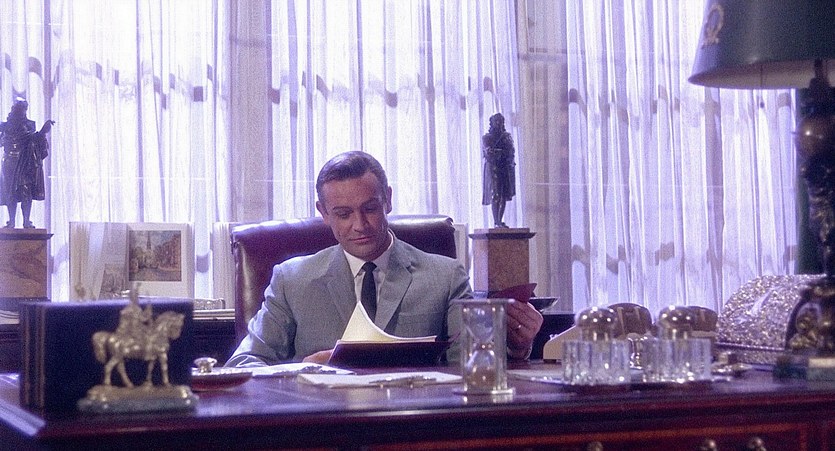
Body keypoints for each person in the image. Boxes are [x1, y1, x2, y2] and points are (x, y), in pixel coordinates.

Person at [227, 151, 542, 366]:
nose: (360, 225)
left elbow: (469, 364)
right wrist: (306, 370)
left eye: (370, 208)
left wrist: (516, 345)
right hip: (324, 430)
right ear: (323, 213)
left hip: (412, 429)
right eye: (343, 214)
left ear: (387, 200)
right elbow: (244, 362)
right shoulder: (292, 280)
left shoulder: (446, 277)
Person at [0, 98, 54, 229]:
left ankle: (26, 221)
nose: (20, 112)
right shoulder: (5, 126)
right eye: (18, 109)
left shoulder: (30, 124)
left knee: (26, 191)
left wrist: (43, 131)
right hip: (9, 162)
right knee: (10, 191)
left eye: (23, 109)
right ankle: (11, 221)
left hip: (26, 162)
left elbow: (34, 139)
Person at [482, 112, 515, 228]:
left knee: (503, 195)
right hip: (493, 168)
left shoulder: (506, 137)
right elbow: (488, 151)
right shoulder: (487, 138)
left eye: (500, 121)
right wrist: (495, 152)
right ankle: (496, 221)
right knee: (495, 194)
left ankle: (499, 220)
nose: (498, 123)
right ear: (492, 123)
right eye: (496, 121)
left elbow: (511, 151)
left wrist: (502, 153)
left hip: (504, 167)